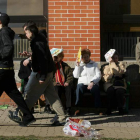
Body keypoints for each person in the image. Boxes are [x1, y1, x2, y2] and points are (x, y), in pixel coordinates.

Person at [9, 24, 66, 125]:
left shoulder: (37, 43)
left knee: (31, 94)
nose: (25, 35)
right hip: (48, 71)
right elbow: (41, 55)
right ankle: (62, 117)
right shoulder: (40, 39)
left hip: (41, 73)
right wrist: (31, 55)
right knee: (52, 96)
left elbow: (43, 60)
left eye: (26, 32)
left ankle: (20, 114)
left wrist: (42, 76)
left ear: (31, 32)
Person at [0, 12, 35, 126]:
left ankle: (28, 116)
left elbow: (8, 47)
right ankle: (28, 116)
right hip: (7, 69)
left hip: (2, 68)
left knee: (14, 93)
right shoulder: (6, 32)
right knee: (14, 93)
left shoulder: (4, 32)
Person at [73, 49, 101, 115]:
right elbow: (75, 76)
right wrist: (77, 66)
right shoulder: (79, 65)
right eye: (84, 57)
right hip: (83, 83)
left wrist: (92, 82)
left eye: (87, 56)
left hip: (92, 83)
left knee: (96, 89)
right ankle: (78, 108)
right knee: (79, 88)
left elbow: (98, 75)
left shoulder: (94, 64)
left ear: (89, 56)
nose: (86, 58)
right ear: (81, 58)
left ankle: (98, 108)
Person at [102, 50, 126, 115]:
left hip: (119, 84)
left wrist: (113, 64)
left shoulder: (121, 65)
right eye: (113, 58)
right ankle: (109, 108)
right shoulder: (105, 66)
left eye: (116, 58)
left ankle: (120, 108)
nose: (115, 59)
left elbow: (119, 72)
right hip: (109, 84)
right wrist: (114, 75)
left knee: (119, 91)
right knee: (110, 91)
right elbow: (105, 78)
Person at [51, 48, 73, 115]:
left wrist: (67, 82)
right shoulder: (51, 66)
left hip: (64, 83)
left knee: (68, 89)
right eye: (56, 57)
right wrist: (54, 83)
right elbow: (49, 77)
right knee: (56, 89)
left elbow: (70, 76)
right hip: (56, 84)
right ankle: (57, 109)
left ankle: (68, 108)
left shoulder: (66, 66)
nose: (57, 58)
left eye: (59, 57)